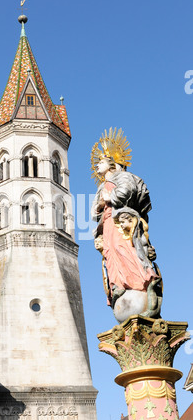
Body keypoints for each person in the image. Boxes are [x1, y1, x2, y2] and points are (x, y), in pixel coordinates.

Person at [91, 129, 162, 318]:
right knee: (110, 252)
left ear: (111, 163)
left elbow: (126, 192)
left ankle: (138, 280)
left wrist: (109, 197)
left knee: (124, 248)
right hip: (107, 223)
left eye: (101, 162)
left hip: (120, 221)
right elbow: (93, 212)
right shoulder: (100, 186)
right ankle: (118, 284)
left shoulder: (123, 177)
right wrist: (100, 203)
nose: (98, 165)